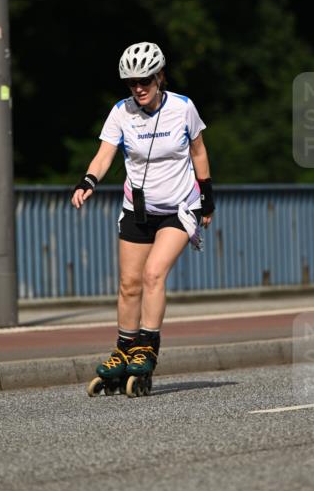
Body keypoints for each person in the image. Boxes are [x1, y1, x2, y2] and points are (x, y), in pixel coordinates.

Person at [71, 41, 214, 395]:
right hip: (137, 210)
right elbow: (104, 155)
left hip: (179, 208)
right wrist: (88, 181)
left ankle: (147, 348)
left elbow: (198, 151)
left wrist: (207, 198)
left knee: (153, 274)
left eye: (145, 81)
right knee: (129, 284)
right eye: (132, 83)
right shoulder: (121, 112)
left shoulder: (183, 107)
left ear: (159, 77)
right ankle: (124, 350)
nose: (138, 88)